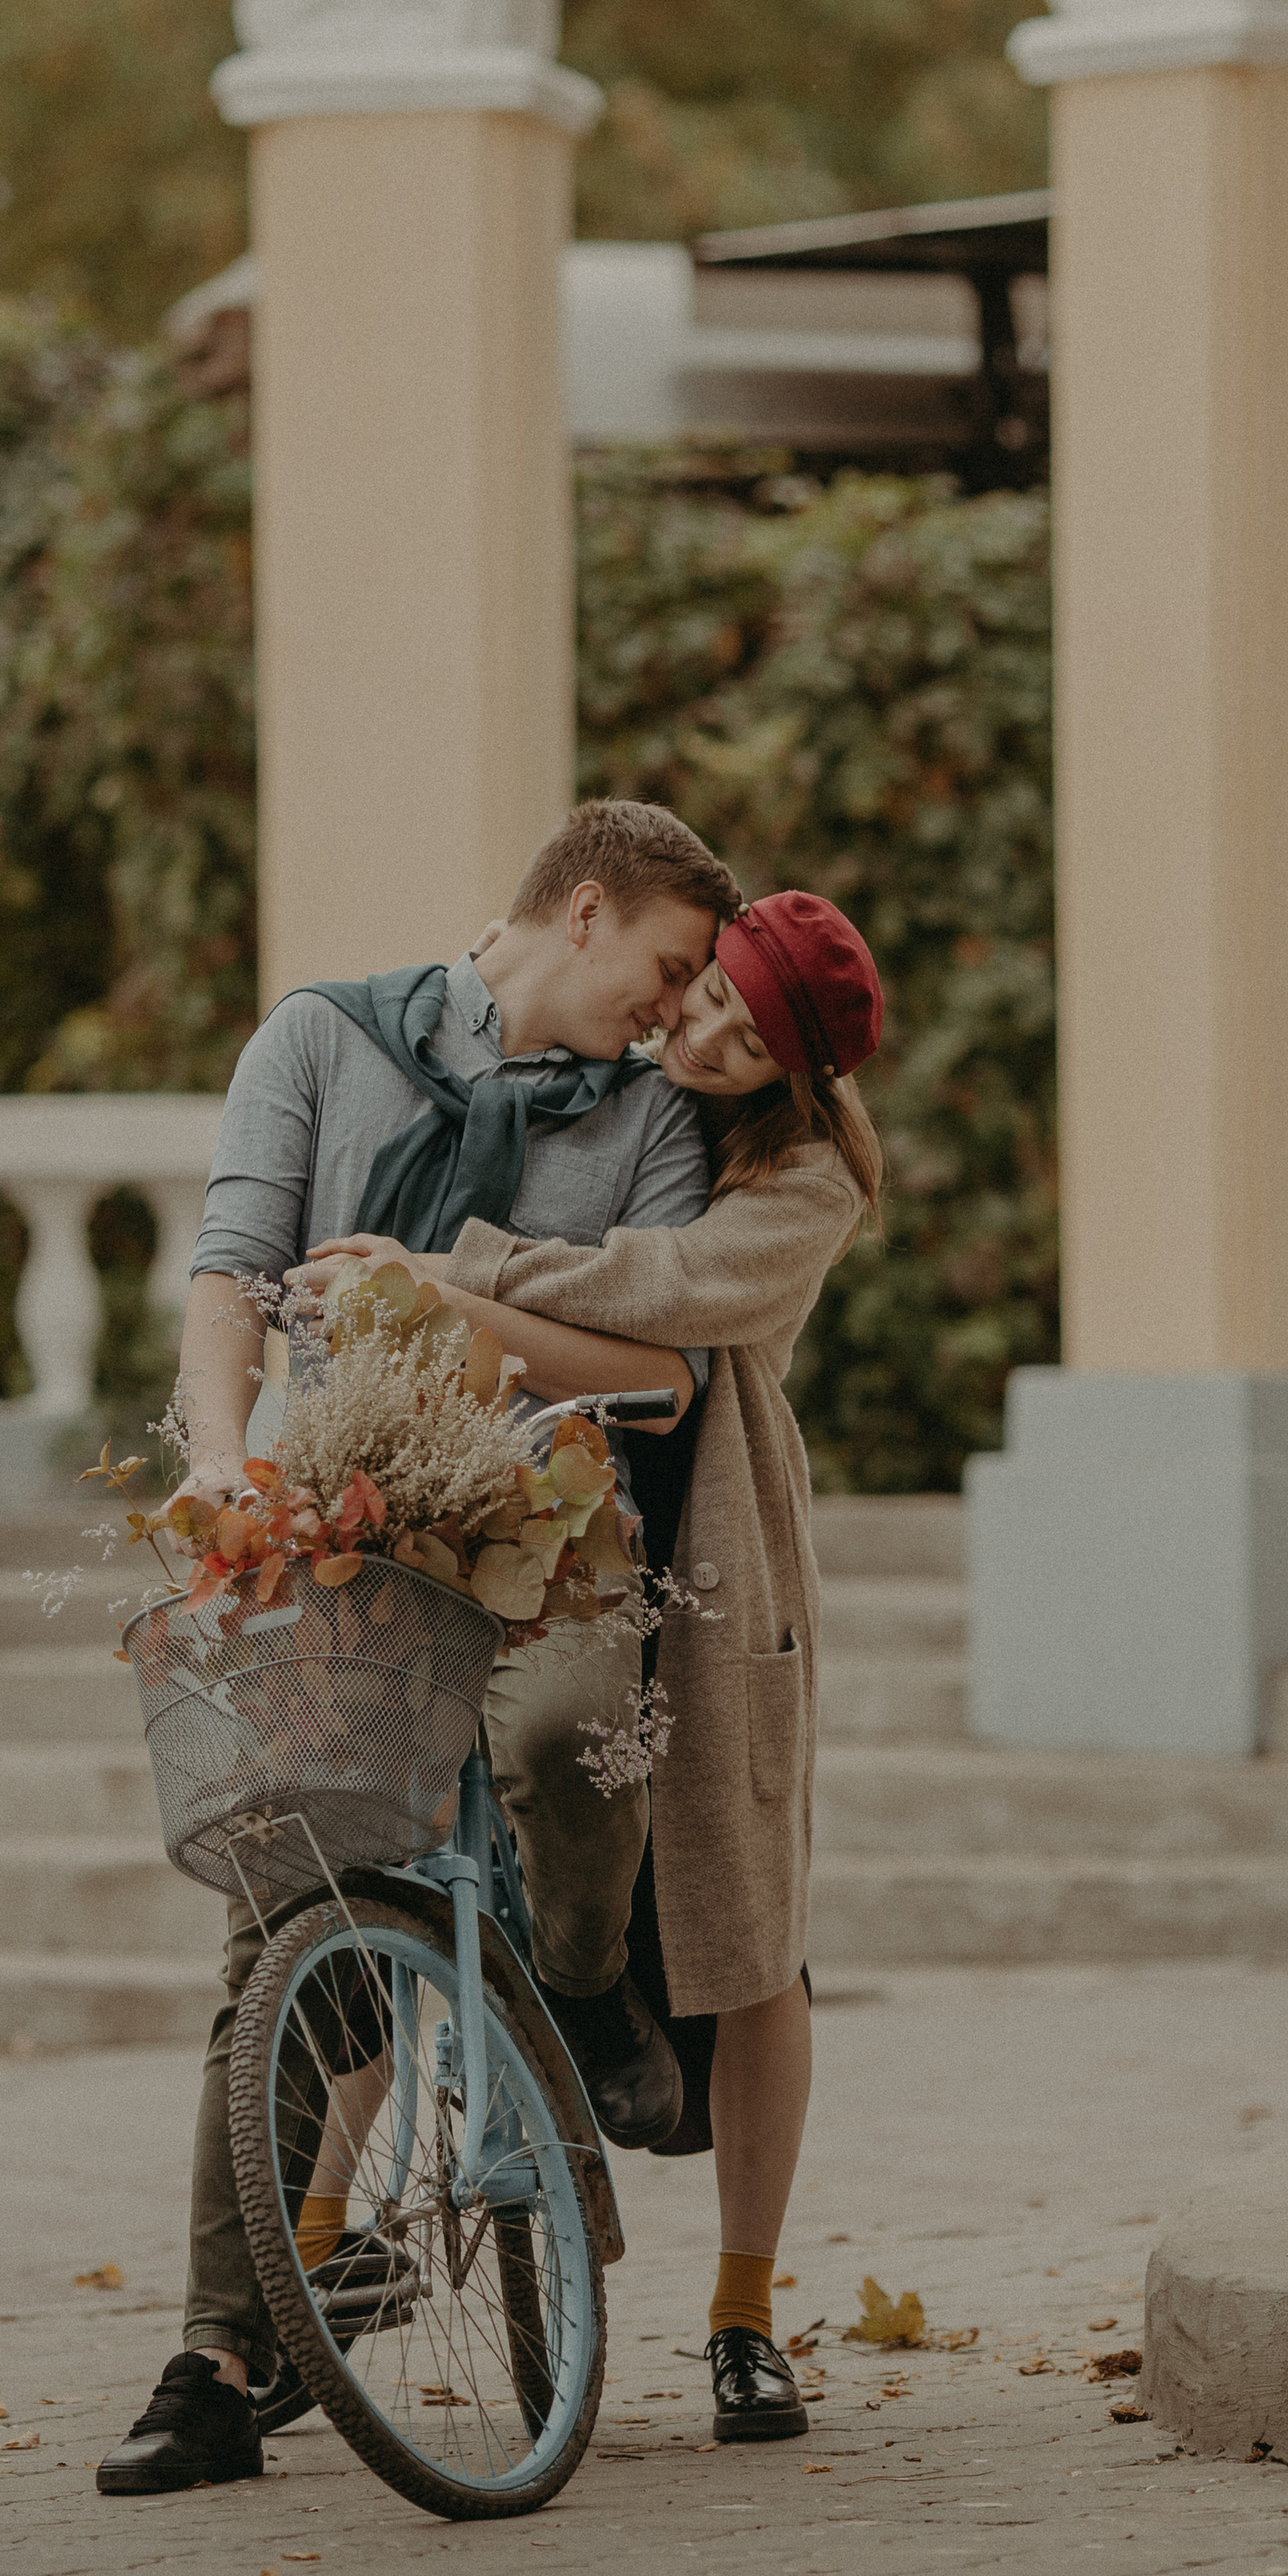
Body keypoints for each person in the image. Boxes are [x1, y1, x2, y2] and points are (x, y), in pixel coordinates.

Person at [97, 796, 739, 2496]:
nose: (671, 1015)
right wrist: (226, 1455)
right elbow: (232, 1270)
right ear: (581, 912)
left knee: (559, 1740)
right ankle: (217, 2355)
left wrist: (448, 1303)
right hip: (341, 1513)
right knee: (281, 1915)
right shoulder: (321, 1040)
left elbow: (663, 1373)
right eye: (666, 972)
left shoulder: (654, 1112)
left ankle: (590, 1991)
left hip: (552, 1524)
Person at [297, 888, 885, 2446]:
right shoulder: (622, 1087)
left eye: (743, 1038)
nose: (698, 1032)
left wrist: (462, 1273)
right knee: (427, 1872)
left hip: (715, 1556)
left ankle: (748, 2316)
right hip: (532, 1520)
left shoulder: (809, 1178)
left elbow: (674, 1301)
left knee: (748, 1931)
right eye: (700, 1001)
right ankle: (304, 2255)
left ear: (799, 1073)